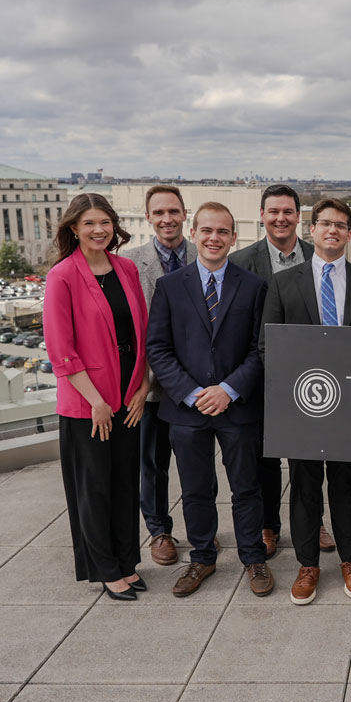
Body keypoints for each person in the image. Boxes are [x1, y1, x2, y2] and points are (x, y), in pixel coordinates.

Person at [260, 198, 351, 605]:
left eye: (340, 225)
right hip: (304, 405)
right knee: (303, 486)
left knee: (344, 483)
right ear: (311, 230)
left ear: (349, 233)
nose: (332, 230)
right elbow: (268, 346)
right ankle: (307, 566)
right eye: (325, 224)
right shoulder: (284, 283)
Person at [146, 202, 274, 599]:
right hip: (187, 410)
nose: (214, 238)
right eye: (207, 231)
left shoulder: (254, 286)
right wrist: (193, 392)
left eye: (223, 232)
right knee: (196, 489)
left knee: (247, 488)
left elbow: (260, 349)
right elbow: (158, 348)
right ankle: (202, 557)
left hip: (238, 407)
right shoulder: (169, 286)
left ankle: (254, 557)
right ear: (194, 233)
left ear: (234, 238)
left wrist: (228, 389)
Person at [44, 192, 149, 601]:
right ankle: (106, 569)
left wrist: (142, 388)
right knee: (94, 491)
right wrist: (96, 402)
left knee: (125, 485)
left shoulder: (126, 269)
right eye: (89, 223)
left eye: (104, 222)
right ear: (73, 228)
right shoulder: (63, 276)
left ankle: (127, 562)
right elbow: (61, 351)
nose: (98, 230)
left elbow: (140, 334)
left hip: (127, 398)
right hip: (88, 406)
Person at [231, 184, 333, 558]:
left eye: (288, 212)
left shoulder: (318, 255)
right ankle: (268, 524)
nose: (280, 218)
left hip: (312, 379)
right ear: (262, 216)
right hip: (261, 377)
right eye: (273, 212)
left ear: (298, 217)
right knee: (265, 459)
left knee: (307, 459)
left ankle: (314, 522)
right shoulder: (242, 262)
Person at [122, 185, 198, 567]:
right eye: (158, 213)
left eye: (173, 211)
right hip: (150, 384)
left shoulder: (206, 253)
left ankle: (201, 526)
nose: (166, 219)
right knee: (152, 462)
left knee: (197, 461)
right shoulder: (129, 262)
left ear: (185, 213)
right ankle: (159, 530)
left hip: (199, 382)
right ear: (148, 217)